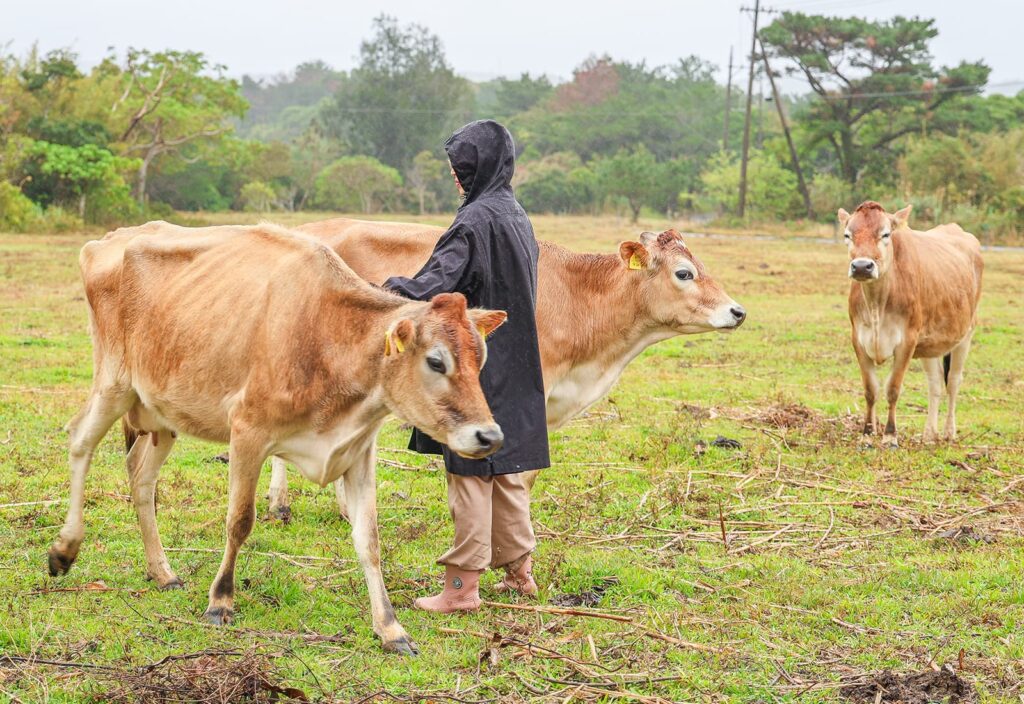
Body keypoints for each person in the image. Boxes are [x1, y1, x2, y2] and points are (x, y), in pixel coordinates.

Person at [384, 119, 550, 613]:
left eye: (461, 168)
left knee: (470, 472)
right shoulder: (516, 214)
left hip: (472, 365)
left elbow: (435, 283)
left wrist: (382, 291)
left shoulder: (473, 221)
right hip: (515, 355)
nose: (456, 177)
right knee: (507, 470)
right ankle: (520, 573)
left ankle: (462, 589)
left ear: (477, 169)